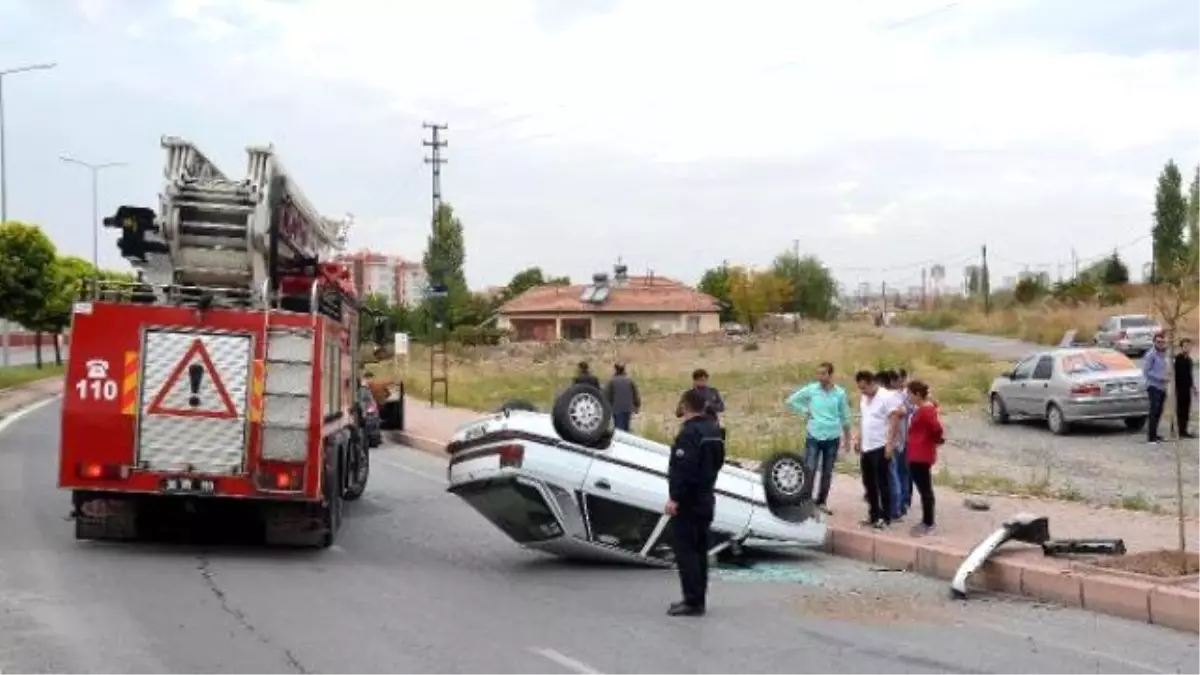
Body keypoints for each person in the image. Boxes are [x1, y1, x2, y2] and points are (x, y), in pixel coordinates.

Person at [665, 388, 725, 617]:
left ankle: (691, 601)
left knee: (686, 551)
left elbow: (684, 469)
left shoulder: (689, 434)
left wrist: (675, 498)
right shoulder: (714, 430)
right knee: (700, 551)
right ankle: (698, 598)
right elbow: (719, 461)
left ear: (686, 405)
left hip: (689, 501)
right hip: (706, 496)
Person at [784, 361, 851, 514]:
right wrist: (805, 411)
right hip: (814, 435)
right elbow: (791, 401)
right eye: (818, 373)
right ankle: (805, 500)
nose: (820, 377)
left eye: (823, 373)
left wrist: (847, 439)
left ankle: (822, 501)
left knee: (827, 472)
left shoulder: (839, 393)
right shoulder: (812, 389)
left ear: (830, 375)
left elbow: (845, 416)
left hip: (832, 437)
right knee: (810, 469)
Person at [852, 370, 905, 529]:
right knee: (868, 482)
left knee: (883, 482)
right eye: (860, 388)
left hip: (880, 445)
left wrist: (890, 444)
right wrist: (859, 438)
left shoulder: (886, 397)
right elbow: (864, 418)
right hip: (867, 446)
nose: (863, 392)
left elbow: (894, 419)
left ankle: (885, 516)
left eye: (865, 388)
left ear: (872, 383)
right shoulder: (864, 398)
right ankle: (873, 514)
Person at [905, 380, 944, 536]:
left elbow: (937, 428)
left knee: (925, 489)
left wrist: (935, 440)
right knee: (923, 488)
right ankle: (927, 520)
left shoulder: (926, 411)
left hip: (921, 454)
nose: (908, 397)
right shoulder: (922, 408)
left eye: (910, 394)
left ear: (917, 394)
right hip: (917, 452)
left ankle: (929, 522)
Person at [1143, 333, 1169, 444]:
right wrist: (1160, 378)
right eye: (1158, 342)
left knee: (1159, 411)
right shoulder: (1150, 355)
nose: (1160, 344)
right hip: (1153, 386)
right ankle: (1151, 437)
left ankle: (1155, 434)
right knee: (1154, 411)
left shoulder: (1165, 354)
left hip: (1163, 387)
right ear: (1154, 342)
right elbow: (1146, 371)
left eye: (1162, 342)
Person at [605, 362, 642, 432]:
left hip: (616, 408)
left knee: (619, 429)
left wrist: (607, 408)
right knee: (626, 426)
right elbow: (635, 394)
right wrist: (637, 406)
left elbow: (607, 396)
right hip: (628, 408)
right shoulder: (629, 381)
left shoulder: (612, 381)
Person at [1176, 338, 1196, 438]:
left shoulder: (1189, 360)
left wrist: (1193, 387)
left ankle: (1183, 430)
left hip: (1187, 388)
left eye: (1188, 346)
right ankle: (1177, 430)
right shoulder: (1177, 359)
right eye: (1185, 346)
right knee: (1179, 409)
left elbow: (1190, 375)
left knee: (1186, 410)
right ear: (1181, 347)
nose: (1187, 348)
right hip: (1179, 388)